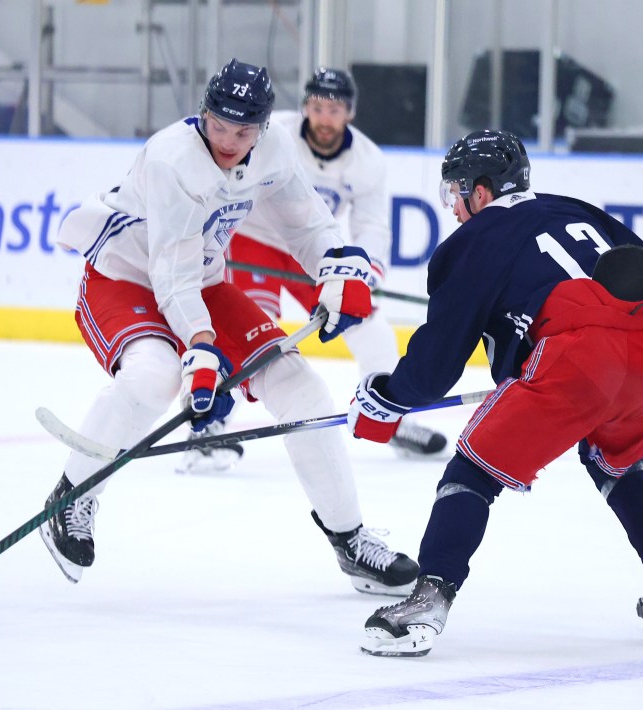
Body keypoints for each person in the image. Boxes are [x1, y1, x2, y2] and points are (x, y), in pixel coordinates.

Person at [37, 58, 419, 598]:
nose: (229, 140)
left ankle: (350, 540)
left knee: (303, 392)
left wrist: (341, 272)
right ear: (203, 113)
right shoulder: (173, 159)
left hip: (205, 280)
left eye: (244, 130)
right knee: (154, 377)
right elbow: (170, 271)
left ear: (264, 126)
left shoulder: (276, 148)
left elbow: (307, 223)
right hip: (125, 277)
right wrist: (200, 347)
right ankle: (71, 496)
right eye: (219, 124)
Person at [346, 129, 643, 656]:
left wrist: (388, 397)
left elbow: (438, 362)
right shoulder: (578, 210)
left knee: (472, 468)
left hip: (579, 362)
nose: (455, 208)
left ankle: (426, 604)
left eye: (455, 193)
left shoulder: (472, 240)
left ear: (480, 192)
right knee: (616, 459)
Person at [176, 67, 446, 474]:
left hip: (311, 251)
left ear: (350, 113)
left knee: (371, 327)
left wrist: (363, 275)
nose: (324, 117)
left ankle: (389, 416)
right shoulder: (275, 131)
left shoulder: (367, 160)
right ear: (305, 107)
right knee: (256, 331)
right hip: (255, 243)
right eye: (317, 107)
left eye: (334, 109)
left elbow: (372, 226)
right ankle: (209, 428)